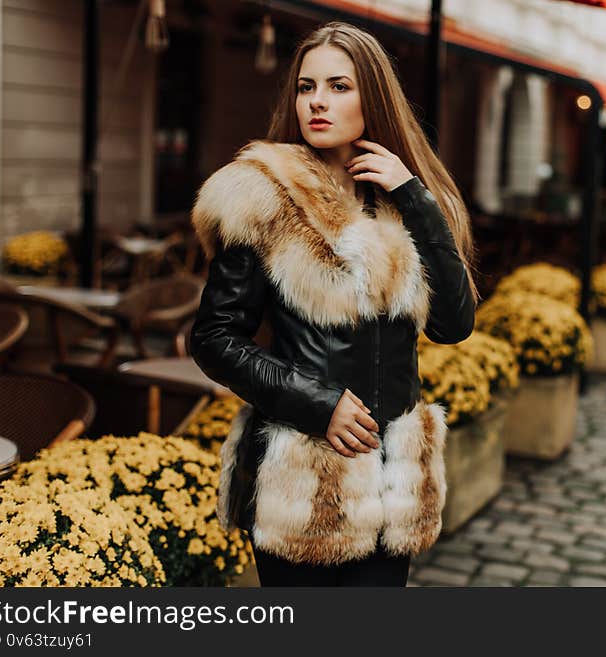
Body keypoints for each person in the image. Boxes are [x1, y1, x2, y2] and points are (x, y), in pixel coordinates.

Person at [189, 21, 479, 587]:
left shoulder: (406, 201)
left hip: (394, 481)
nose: (317, 101)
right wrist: (317, 404)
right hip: (302, 484)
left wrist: (414, 197)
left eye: (339, 86)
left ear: (373, 96)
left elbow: (453, 325)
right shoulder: (261, 194)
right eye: (306, 87)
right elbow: (213, 338)